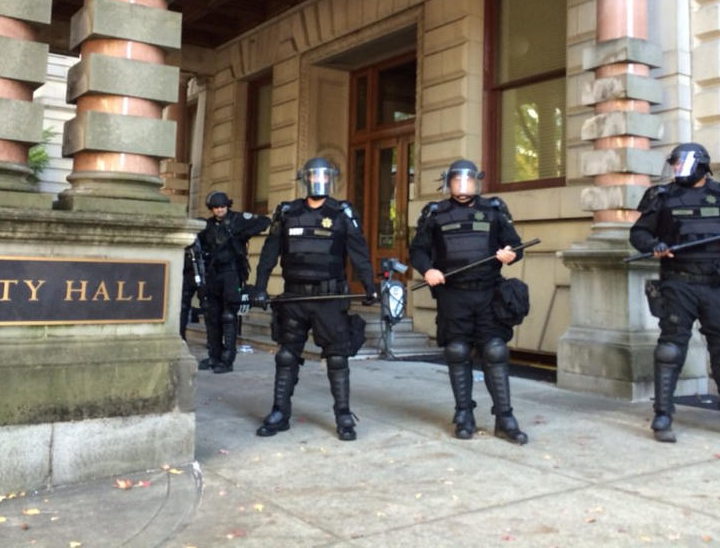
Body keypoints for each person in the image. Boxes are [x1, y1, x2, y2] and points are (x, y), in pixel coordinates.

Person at [630, 142, 720, 443]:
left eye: (682, 165)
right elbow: (638, 233)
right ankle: (663, 416)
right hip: (678, 283)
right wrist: (653, 246)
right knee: (670, 350)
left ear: (700, 166)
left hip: (717, 284)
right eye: (674, 165)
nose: (676, 171)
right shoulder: (663, 196)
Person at [251, 157, 379, 441]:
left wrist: (370, 286)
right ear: (304, 180)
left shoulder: (342, 213)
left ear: (331, 180)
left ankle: (343, 415)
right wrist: (259, 286)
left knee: (336, 357)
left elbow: (359, 252)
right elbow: (270, 252)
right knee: (286, 356)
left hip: (329, 297)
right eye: (313, 176)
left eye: (323, 176)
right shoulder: (287, 212)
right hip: (294, 297)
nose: (318, 181)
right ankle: (279, 412)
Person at [409, 159, 528, 445]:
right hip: (454, 295)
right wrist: (428, 270)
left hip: (488, 292)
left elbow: (516, 244)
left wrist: (510, 254)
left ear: (477, 182)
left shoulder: (494, 210)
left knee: (495, 351)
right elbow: (418, 251)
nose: (462, 187)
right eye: (456, 181)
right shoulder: (435, 213)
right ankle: (464, 415)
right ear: (448, 183)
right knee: (458, 351)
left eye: (468, 181)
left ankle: (505, 418)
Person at [197, 191, 270, 373]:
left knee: (229, 316)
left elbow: (264, 222)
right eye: (216, 207)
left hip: (231, 273)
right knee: (212, 316)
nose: (219, 210)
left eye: (222, 207)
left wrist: (241, 234)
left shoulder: (237, 219)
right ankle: (214, 356)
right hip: (212, 274)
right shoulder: (208, 225)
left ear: (227, 206)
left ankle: (227, 359)